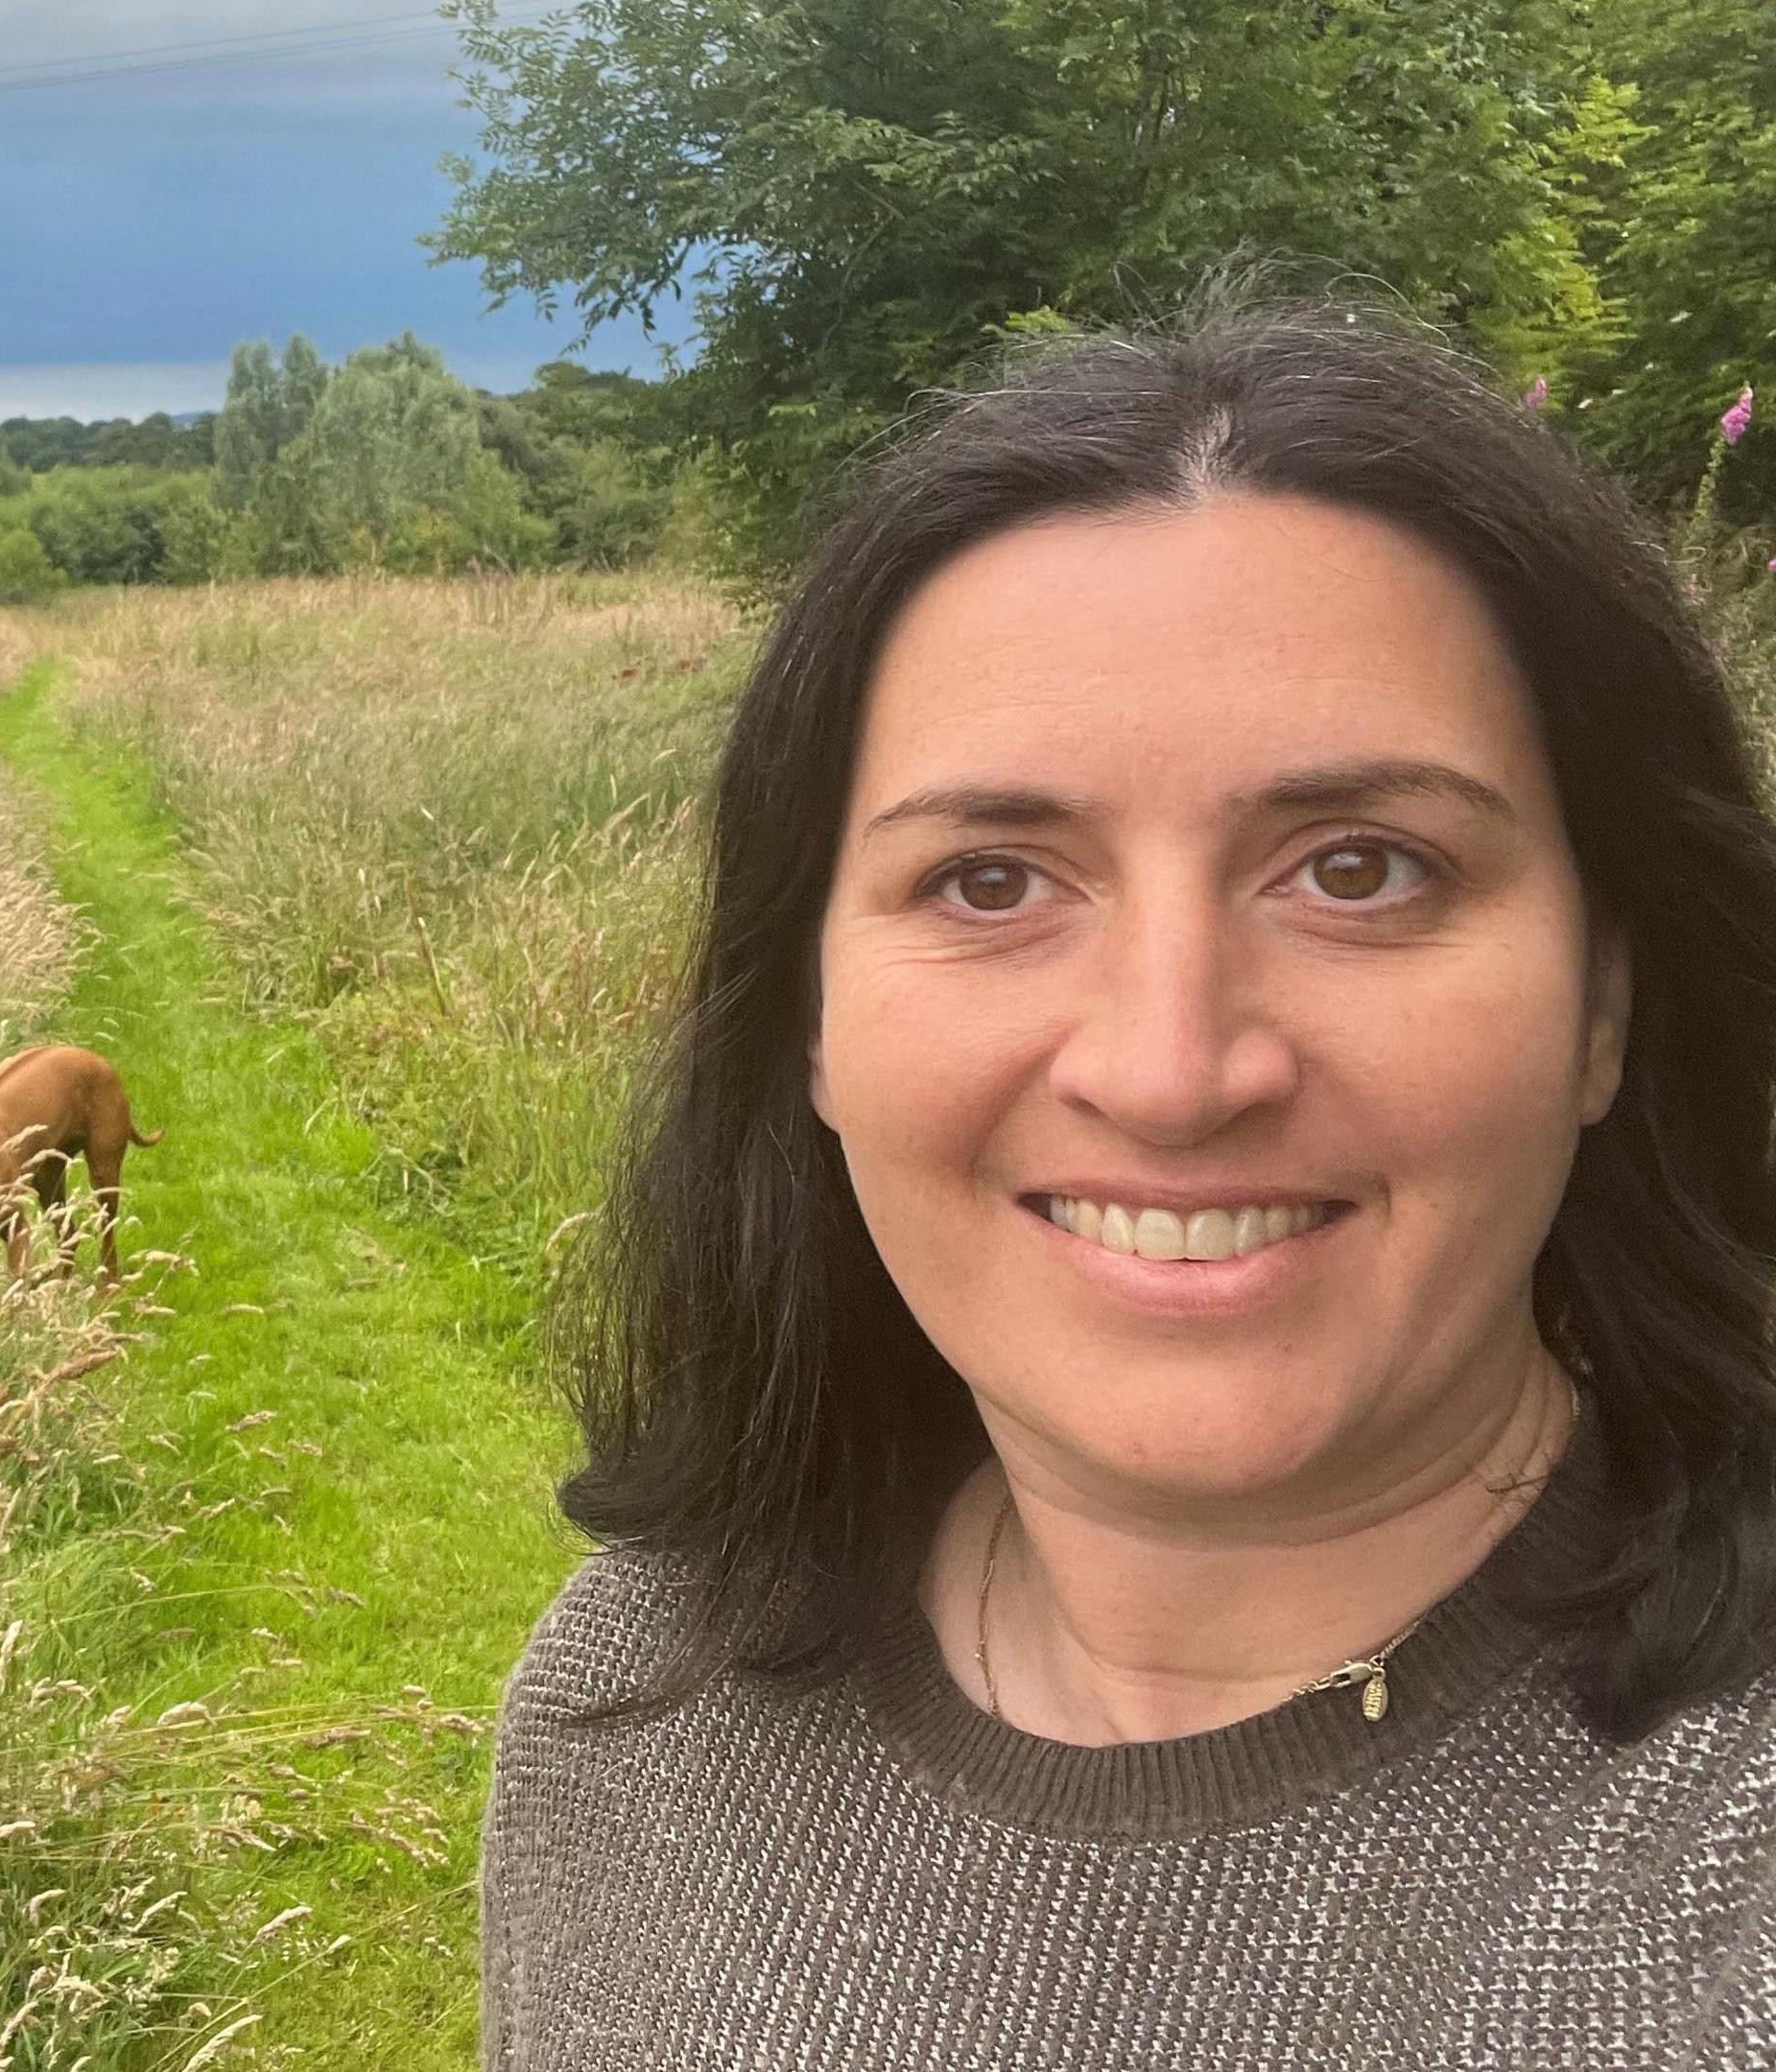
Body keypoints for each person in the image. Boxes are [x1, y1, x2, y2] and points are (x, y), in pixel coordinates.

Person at [480, 300, 1776, 2067]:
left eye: (1360, 867)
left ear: (1605, 1000)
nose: (1170, 1073)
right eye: (994, 885)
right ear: (808, 1027)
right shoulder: (637, 1699)